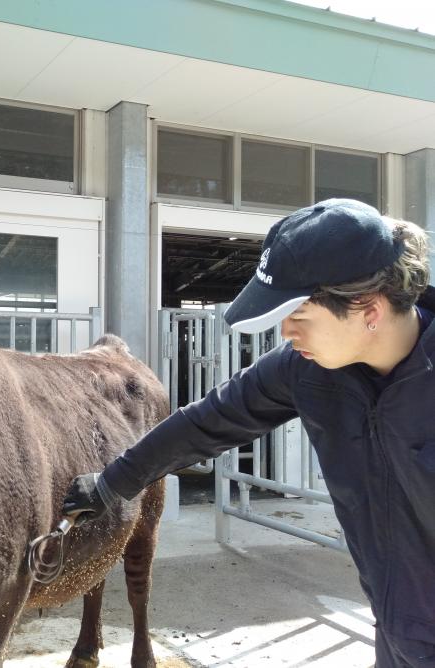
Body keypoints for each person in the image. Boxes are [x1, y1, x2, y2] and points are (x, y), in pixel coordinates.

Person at [62, 199, 435, 668]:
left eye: (299, 315)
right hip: (397, 632)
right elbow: (206, 421)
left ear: (369, 308)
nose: (286, 331)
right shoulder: (306, 370)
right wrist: (112, 482)